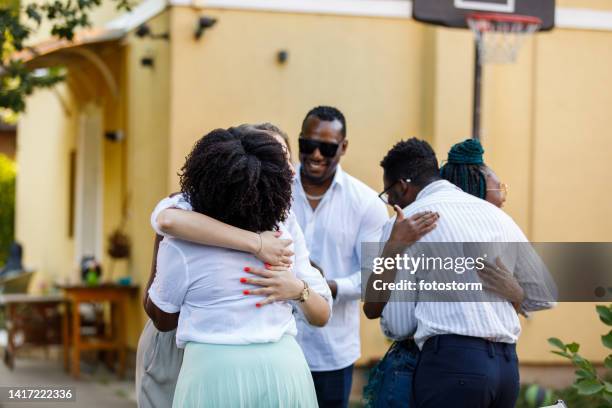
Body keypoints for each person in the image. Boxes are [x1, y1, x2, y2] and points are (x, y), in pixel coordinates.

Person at [144, 126, 332, 407]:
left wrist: (297, 289)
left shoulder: (182, 244)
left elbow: (163, 318)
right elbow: (167, 219)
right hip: (284, 370)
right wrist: (256, 244)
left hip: (214, 374)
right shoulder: (282, 237)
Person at [364, 138, 556, 408]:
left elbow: (398, 325)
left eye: (389, 195)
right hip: (506, 368)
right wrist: (515, 292)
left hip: (452, 367)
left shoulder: (406, 223)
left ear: (402, 187)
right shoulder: (497, 217)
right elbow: (544, 295)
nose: (390, 203)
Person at [290, 106, 389, 407]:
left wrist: (326, 287)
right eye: (308, 145)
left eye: (327, 147)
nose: (316, 154)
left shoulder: (366, 202)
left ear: (343, 147)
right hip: (278, 342)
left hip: (331, 353)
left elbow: (374, 277)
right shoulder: (276, 189)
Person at [440, 138, 507, 208]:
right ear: (477, 189)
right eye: (499, 188)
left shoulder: (433, 212)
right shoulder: (498, 218)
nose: (503, 199)